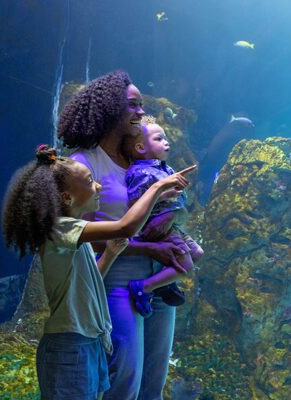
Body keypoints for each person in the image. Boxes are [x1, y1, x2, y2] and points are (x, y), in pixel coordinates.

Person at [1, 145, 192, 400]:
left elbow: (90, 283)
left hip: (88, 342)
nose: (98, 186)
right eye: (91, 181)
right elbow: (127, 226)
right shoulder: (60, 229)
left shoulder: (74, 236)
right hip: (69, 347)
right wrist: (157, 188)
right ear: (67, 198)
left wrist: (111, 253)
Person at [58, 70, 190, 399]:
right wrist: (148, 249)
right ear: (109, 108)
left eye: (141, 105)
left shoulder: (138, 159)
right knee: (125, 378)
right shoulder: (84, 164)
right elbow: (81, 235)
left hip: (157, 279)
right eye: (133, 104)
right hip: (116, 280)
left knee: (154, 379)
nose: (141, 111)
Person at [124, 116, 203, 317]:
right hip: (157, 226)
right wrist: (163, 193)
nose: (166, 142)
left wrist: (178, 191)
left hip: (172, 225)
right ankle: (143, 287)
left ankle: (163, 284)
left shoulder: (164, 169)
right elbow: (135, 204)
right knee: (185, 265)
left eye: (165, 137)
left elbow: (177, 197)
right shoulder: (140, 172)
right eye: (159, 139)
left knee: (197, 253)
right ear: (140, 147)